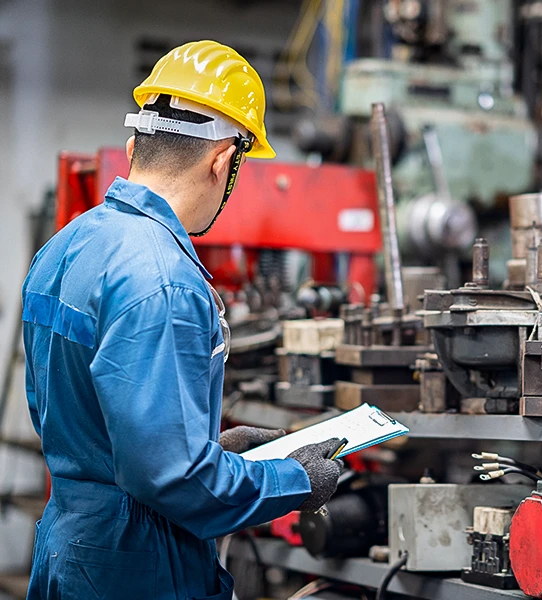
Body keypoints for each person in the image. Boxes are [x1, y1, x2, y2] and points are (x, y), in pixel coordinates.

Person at [22, 40, 343, 600]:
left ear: (135, 146)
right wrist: (293, 480)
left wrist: (213, 449)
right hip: (140, 563)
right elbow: (174, 479)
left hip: (69, 545)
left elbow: (90, 420)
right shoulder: (166, 280)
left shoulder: (65, 246)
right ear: (223, 161)